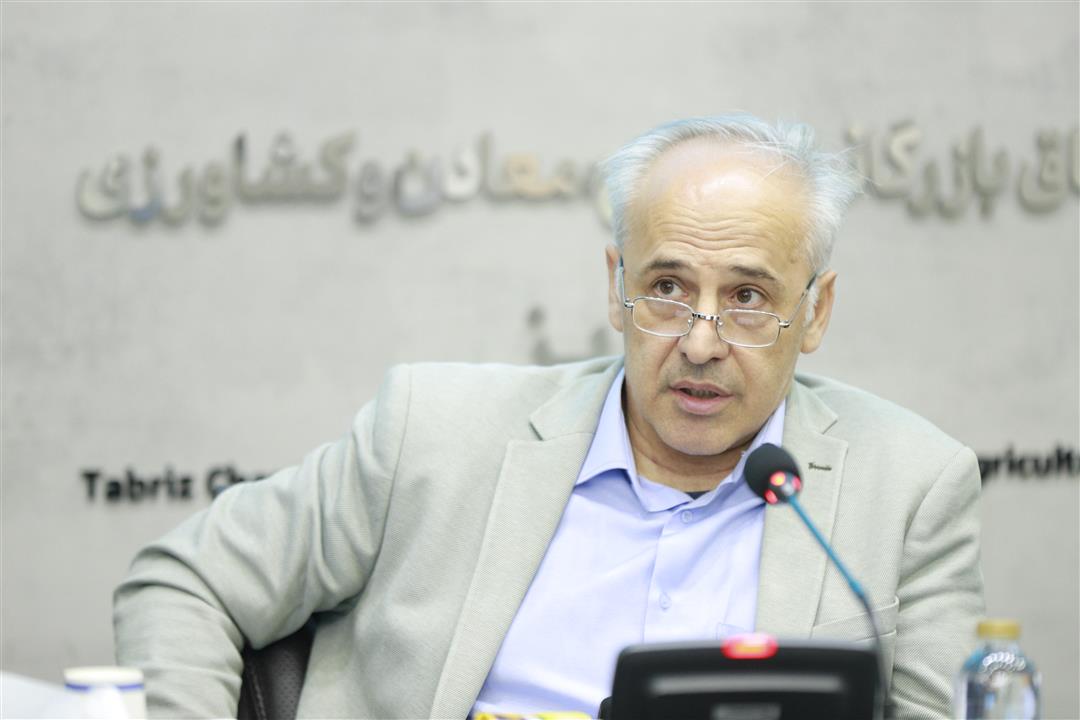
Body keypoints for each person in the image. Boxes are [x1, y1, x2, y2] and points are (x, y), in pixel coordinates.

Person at [114, 114, 984, 719]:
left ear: (816, 310)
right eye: (667, 288)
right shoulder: (432, 430)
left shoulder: (910, 485)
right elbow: (186, 580)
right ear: (616, 286)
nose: (700, 342)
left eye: (748, 298)